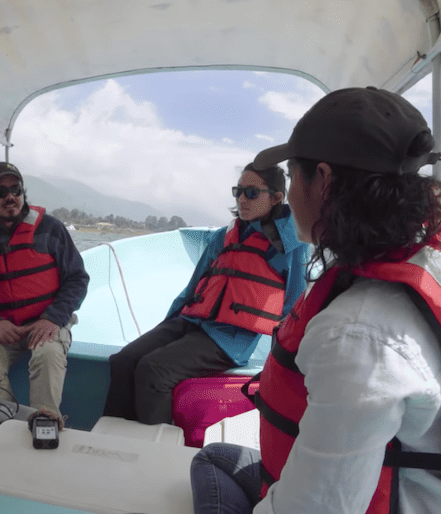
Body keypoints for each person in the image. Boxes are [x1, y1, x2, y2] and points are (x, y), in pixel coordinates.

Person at [140, 88, 441, 514]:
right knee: (215, 461)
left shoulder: (362, 329)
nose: (288, 192)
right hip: (366, 511)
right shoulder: (431, 259)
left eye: (293, 178)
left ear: (325, 180)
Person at [102, 163, 308, 426]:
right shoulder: (224, 237)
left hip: (228, 338)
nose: (242, 199)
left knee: (154, 370)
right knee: (124, 360)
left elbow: (293, 308)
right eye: (238, 191)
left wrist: (285, 363)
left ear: (277, 197)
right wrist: (165, 330)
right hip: (191, 322)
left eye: (252, 193)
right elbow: (191, 290)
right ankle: (113, 436)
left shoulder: (291, 246)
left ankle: (157, 449)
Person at [0, 161, 89, 421]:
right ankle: (5, 425)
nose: (10, 196)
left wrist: (53, 317)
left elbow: (77, 279)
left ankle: (45, 423)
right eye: (0, 192)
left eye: (16, 189)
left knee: (47, 356)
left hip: (46, 323)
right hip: (0, 328)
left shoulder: (51, 230)